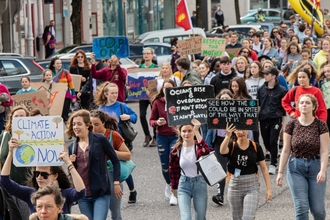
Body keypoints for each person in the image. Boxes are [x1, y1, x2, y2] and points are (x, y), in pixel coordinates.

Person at [276, 94, 329, 219]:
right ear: (298, 106)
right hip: (296, 167)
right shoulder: (291, 125)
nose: (304, 105)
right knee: (301, 207)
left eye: (308, 103)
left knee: (318, 210)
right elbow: (286, 150)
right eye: (302, 103)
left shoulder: (321, 125)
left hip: (315, 167)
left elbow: (324, 151)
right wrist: (280, 172)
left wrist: (323, 170)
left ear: (314, 106)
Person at [0, 138, 86, 214]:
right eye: (36, 174)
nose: (39, 177)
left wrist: (69, 163)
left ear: (55, 176)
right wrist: (11, 152)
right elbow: (5, 181)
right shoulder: (30, 193)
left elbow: (81, 191)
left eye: (44, 175)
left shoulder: (65, 194)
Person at [67, 110, 123, 220]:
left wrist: (116, 182)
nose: (75, 127)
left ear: (88, 125)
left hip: (100, 192)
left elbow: (115, 161)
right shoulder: (72, 147)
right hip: (83, 195)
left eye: (79, 124)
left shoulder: (100, 139)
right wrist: (70, 162)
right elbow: (72, 173)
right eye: (73, 124)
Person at [94, 82, 138, 203]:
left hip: (119, 140)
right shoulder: (101, 108)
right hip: (104, 140)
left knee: (123, 166)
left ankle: (132, 190)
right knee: (108, 165)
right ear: (106, 94)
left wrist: (128, 117)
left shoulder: (121, 106)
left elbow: (135, 117)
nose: (115, 95)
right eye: (112, 93)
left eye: (116, 93)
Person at [220, 123, 272, 220]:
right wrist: (227, 136)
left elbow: (264, 168)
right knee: (237, 217)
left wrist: (268, 188)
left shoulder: (255, 146)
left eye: (243, 129)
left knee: (248, 217)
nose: (241, 132)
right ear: (234, 131)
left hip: (251, 185)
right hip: (235, 184)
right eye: (238, 130)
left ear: (249, 129)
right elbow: (222, 151)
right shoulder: (232, 145)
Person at [90, 110, 131, 219]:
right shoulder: (88, 136)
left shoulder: (113, 135)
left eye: (97, 124)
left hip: (111, 175)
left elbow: (127, 155)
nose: (93, 128)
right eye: (91, 124)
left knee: (115, 213)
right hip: (94, 175)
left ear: (103, 123)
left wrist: (111, 151)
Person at [169, 119, 210, 220]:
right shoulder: (176, 150)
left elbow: (206, 151)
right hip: (184, 184)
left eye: (189, 131)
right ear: (180, 133)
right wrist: (174, 188)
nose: (186, 134)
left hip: (199, 183)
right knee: (186, 217)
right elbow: (173, 170)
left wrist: (197, 129)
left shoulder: (198, 147)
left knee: (200, 217)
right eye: (184, 131)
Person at [150, 79, 178, 206]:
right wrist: (157, 123)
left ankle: (174, 192)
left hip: (175, 136)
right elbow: (151, 120)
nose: (168, 91)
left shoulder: (179, 101)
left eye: (170, 88)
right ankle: (168, 184)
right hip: (161, 136)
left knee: (173, 162)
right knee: (165, 166)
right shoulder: (157, 102)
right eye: (165, 88)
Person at [0, 106, 32, 219]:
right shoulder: (4, 137)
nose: (19, 119)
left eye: (22, 116)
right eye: (16, 116)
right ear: (11, 119)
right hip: (7, 187)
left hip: (26, 187)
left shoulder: (33, 137)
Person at [257, 67, 287, 175]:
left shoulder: (282, 90)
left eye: (267, 74)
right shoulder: (261, 89)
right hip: (264, 118)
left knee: (273, 140)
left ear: (273, 76)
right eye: (264, 74)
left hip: (276, 118)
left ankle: (273, 164)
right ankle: (274, 153)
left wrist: (282, 123)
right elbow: (259, 105)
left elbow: (284, 108)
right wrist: (257, 117)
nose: (264, 76)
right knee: (266, 142)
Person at [211, 89, 234, 206]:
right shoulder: (213, 111)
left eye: (227, 99)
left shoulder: (236, 111)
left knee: (235, 167)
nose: (224, 101)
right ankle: (220, 194)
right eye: (222, 99)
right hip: (219, 141)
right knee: (221, 167)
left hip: (233, 140)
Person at [138, 47, 158, 147]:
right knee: (142, 115)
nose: (146, 55)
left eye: (148, 53)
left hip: (153, 96)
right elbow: (135, 82)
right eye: (144, 53)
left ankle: (155, 137)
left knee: (154, 115)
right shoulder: (139, 68)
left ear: (152, 55)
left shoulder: (156, 67)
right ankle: (147, 135)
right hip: (142, 96)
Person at [49, 57, 76, 122]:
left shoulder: (65, 72)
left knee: (65, 113)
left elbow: (71, 85)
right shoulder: (50, 73)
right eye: (57, 63)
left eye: (60, 63)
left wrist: (73, 96)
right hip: (55, 96)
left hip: (66, 95)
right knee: (56, 114)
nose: (59, 65)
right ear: (53, 65)